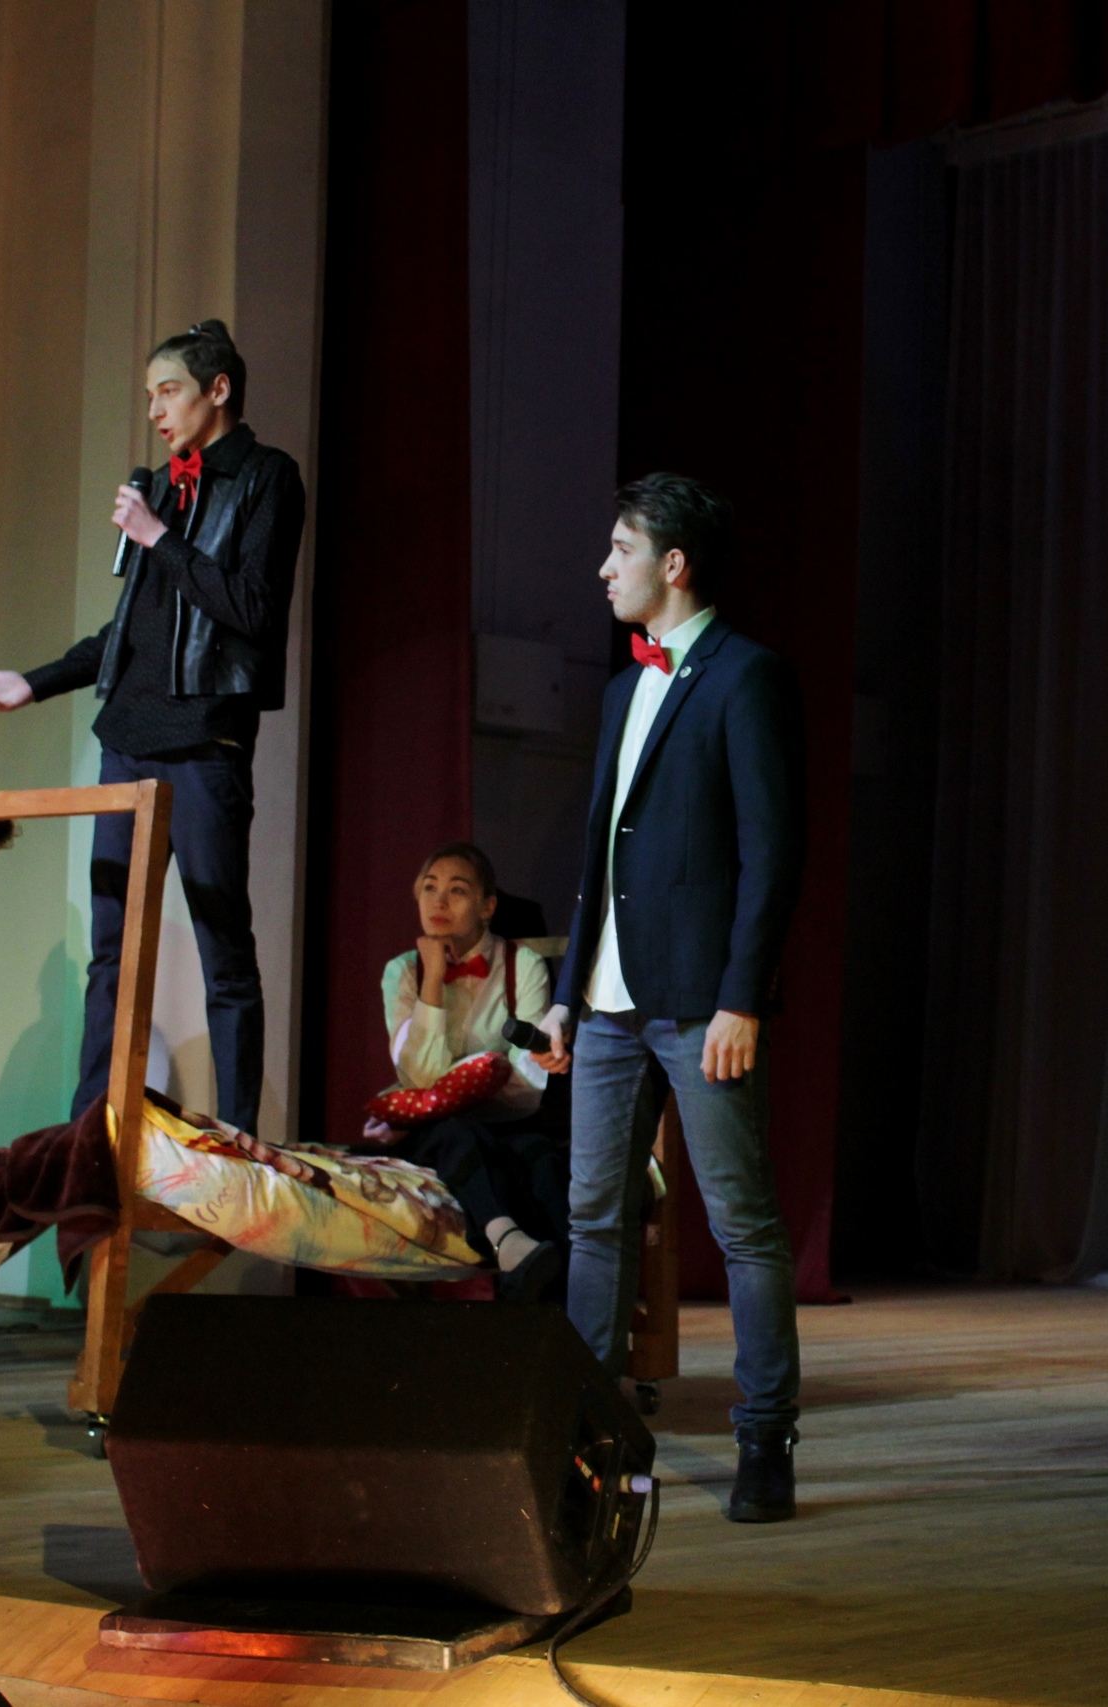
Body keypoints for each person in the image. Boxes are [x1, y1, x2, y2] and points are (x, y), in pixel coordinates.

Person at [534, 474, 807, 1523]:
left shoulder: (746, 675)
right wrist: (566, 994)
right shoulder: (621, 688)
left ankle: (765, 1438)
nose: (603, 568)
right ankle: (587, 1436)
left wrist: (743, 998)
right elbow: (597, 855)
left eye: (621, 549)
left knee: (743, 1224)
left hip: (701, 1002)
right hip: (608, 1001)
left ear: (673, 564)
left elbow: (773, 853)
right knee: (593, 1218)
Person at [0, 319, 304, 1137]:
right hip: (128, 741)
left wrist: (160, 537)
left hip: (205, 741)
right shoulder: (164, 489)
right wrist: (34, 683)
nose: (154, 410)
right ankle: (91, 1128)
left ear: (218, 390)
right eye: (149, 395)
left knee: (223, 944)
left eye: (168, 390)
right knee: (112, 950)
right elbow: (133, 632)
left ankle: (239, 1135)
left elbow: (252, 608)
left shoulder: (267, 477)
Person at [371, 843, 568, 1301]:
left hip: (510, 1124)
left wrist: (464, 1084)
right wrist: (433, 979)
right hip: (437, 1133)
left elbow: (528, 1085)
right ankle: (504, 1239)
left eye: (457, 890)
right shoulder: (402, 972)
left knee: (544, 1169)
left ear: (487, 906)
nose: (439, 901)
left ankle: (568, 1316)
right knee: (456, 1134)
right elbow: (420, 1078)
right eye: (429, 888)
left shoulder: (522, 965)